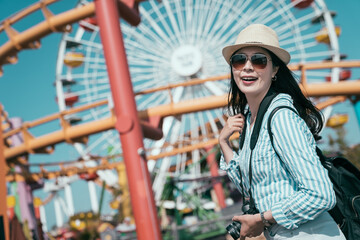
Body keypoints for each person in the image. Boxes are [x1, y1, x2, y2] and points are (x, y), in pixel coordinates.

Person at [219, 24, 346, 240]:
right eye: (240, 60)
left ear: (275, 69)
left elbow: (321, 195)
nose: (247, 67)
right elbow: (251, 187)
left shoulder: (281, 117)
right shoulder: (251, 121)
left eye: (258, 60)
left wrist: (262, 219)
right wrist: (223, 142)